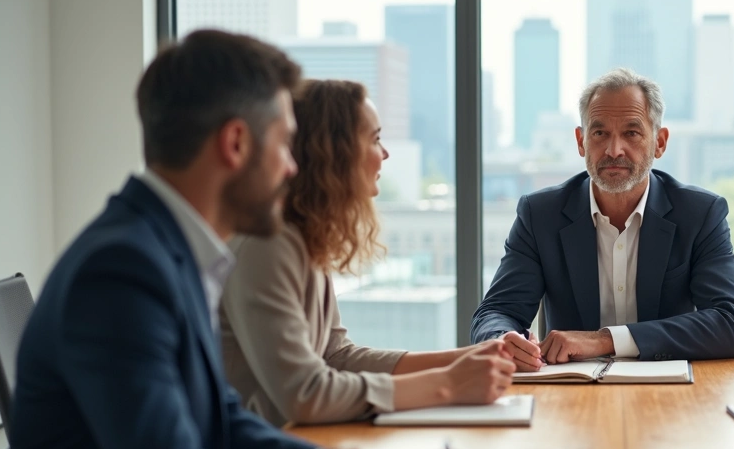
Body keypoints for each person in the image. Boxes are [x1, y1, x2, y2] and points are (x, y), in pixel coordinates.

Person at [0, 30, 484, 449]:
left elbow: (219, 417)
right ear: (235, 144)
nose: (294, 166)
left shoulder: (169, 249)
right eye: (283, 143)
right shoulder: (123, 270)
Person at [219, 79, 515, 426]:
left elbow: (336, 355)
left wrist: (471, 357)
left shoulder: (303, 235)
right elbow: (305, 395)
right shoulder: (267, 243)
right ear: (335, 153)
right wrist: (447, 383)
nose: (385, 153)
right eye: (374, 139)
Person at [471, 68, 734, 369]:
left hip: (670, 396)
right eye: (600, 133)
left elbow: (730, 323)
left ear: (660, 142)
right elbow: (496, 312)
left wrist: (604, 340)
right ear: (581, 141)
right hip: (570, 397)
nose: (614, 150)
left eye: (631, 133)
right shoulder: (540, 215)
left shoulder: (700, 214)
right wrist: (504, 340)